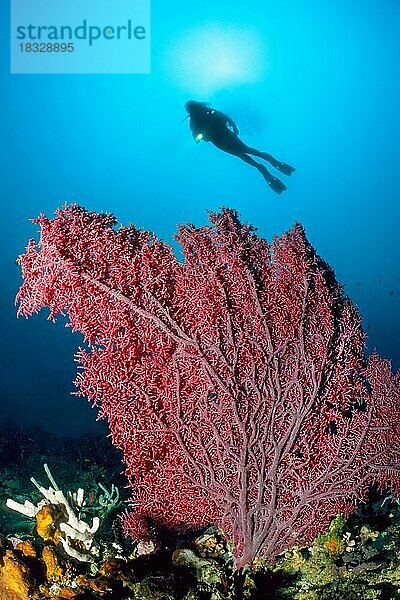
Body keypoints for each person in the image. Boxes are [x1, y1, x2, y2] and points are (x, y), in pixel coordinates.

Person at [184, 100, 295, 194]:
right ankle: (272, 164)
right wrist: (234, 127)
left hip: (221, 140)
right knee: (247, 151)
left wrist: (199, 136)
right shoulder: (203, 114)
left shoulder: (199, 117)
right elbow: (226, 119)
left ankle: (264, 167)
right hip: (224, 137)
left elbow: (198, 137)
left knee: (243, 154)